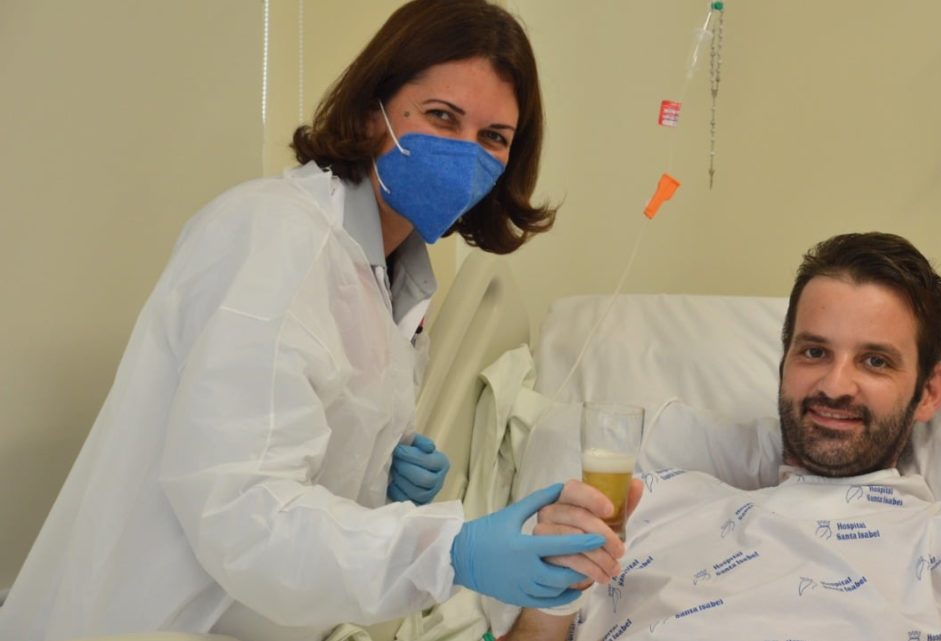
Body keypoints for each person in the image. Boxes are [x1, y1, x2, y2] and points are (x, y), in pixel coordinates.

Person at [0, 2, 623, 640]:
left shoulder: (392, 275)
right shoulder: (276, 240)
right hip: (158, 618)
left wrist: (380, 477)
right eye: (441, 116)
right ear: (368, 112)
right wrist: (448, 552)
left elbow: (294, 454)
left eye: (494, 137)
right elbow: (245, 513)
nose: (467, 154)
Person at [508, 232, 941, 641]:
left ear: (929, 392)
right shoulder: (648, 507)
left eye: (875, 361)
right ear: (785, 363)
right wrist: (549, 598)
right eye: (814, 352)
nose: (836, 386)